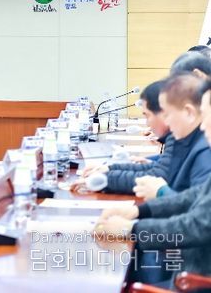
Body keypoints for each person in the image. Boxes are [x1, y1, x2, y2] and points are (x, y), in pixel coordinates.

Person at [94, 78, 211, 288]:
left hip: (193, 279)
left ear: (189, 112)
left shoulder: (203, 151)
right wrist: (139, 211)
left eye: (206, 115)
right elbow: (193, 197)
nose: (203, 124)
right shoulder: (192, 141)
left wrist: (131, 229)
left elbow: (196, 225)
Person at [72, 80, 174, 194]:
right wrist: (110, 168)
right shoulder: (177, 138)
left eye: (148, 116)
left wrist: (104, 180)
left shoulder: (181, 139)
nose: (147, 123)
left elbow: (156, 176)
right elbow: (160, 168)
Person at [130, 74, 211, 200]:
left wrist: (161, 192)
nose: (166, 122)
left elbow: (198, 209)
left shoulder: (203, 150)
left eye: (167, 114)